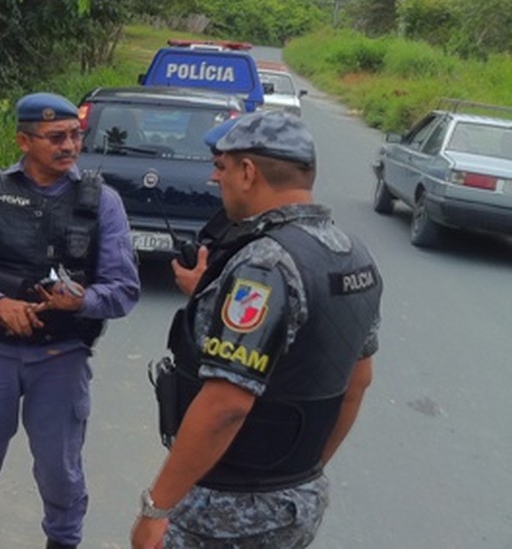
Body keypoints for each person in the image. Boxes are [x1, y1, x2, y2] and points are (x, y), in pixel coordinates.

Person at [132, 110, 383, 549]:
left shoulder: (264, 264)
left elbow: (227, 403)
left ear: (248, 172)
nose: (216, 179)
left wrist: (157, 508)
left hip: (227, 511)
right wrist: (302, 473)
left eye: (222, 167)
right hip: (298, 498)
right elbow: (357, 380)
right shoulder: (351, 254)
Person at [0, 92, 141, 549]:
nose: (69, 146)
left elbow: (124, 289)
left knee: (60, 472)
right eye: (55, 138)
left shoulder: (102, 203)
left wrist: (81, 301)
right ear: (23, 141)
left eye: (75, 136)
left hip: (61, 356)